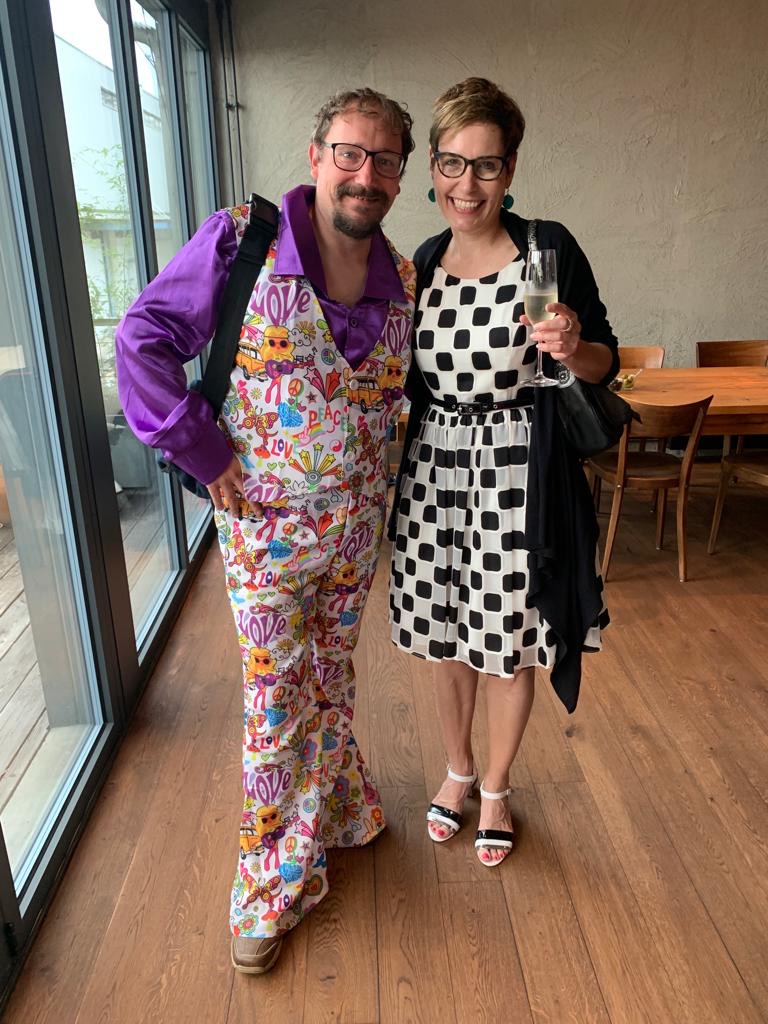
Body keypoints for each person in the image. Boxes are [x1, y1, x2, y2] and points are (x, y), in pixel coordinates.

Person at [116, 87, 416, 973]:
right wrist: (201, 450)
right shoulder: (243, 240)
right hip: (265, 534)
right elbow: (143, 339)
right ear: (317, 156)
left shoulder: (403, 278)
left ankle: (342, 807)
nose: (365, 175)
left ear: (401, 177)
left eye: (386, 160)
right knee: (275, 701)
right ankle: (269, 887)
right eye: (350, 153)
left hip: (356, 532)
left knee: (329, 677)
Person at [388, 78, 618, 866]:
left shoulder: (545, 251)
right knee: (447, 635)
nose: (468, 184)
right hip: (434, 469)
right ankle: (455, 770)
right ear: (433, 167)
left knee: (508, 638)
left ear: (510, 169)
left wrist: (573, 347)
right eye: (453, 164)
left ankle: (494, 787)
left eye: (486, 165)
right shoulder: (423, 261)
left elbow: (604, 361)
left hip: (519, 472)